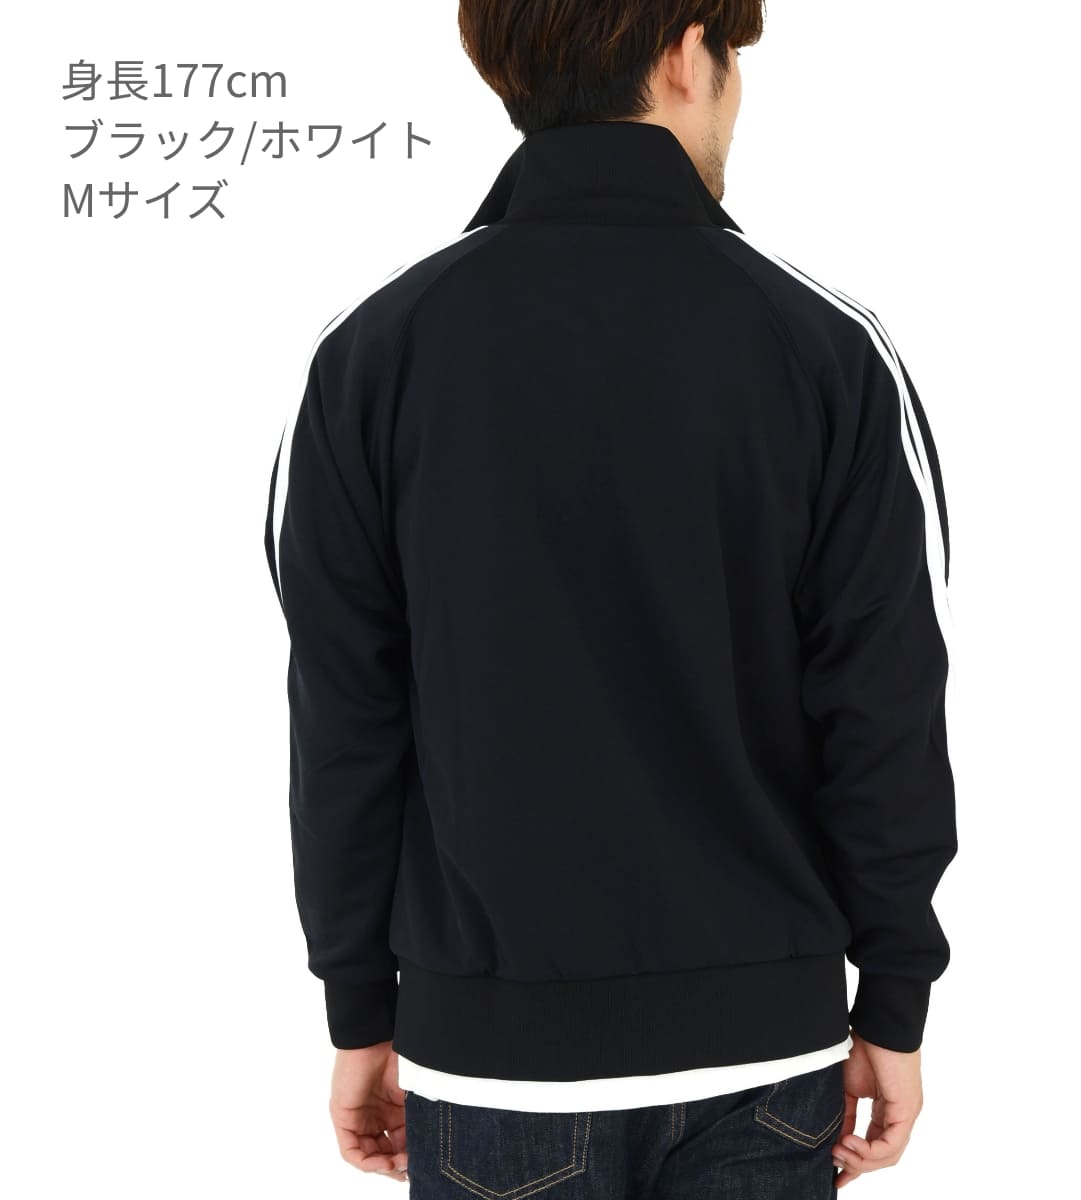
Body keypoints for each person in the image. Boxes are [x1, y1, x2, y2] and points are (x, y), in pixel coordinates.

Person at [263, 3, 957, 1195]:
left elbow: (343, 720)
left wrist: (358, 1008)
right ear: (688, 54)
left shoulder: (373, 352)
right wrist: (893, 997)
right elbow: (885, 700)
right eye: (733, 59)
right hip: (765, 1050)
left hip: (494, 1059)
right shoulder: (824, 346)